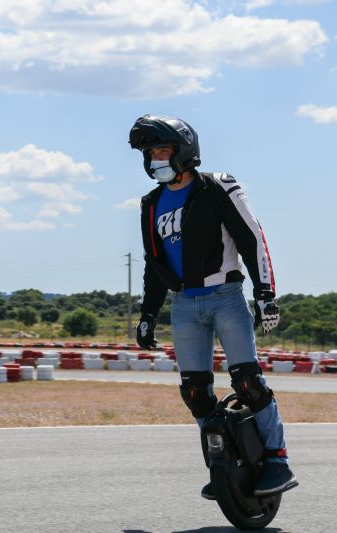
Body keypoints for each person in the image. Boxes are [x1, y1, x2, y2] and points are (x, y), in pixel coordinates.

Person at [128, 114, 297, 499]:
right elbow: (154, 264)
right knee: (194, 393)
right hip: (183, 305)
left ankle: (277, 459)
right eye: (151, 151)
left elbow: (252, 238)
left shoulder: (218, 186)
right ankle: (222, 464)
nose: (155, 157)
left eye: (163, 149)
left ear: (185, 152)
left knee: (248, 382)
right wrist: (148, 314)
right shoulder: (151, 204)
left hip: (225, 297)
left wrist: (266, 293)